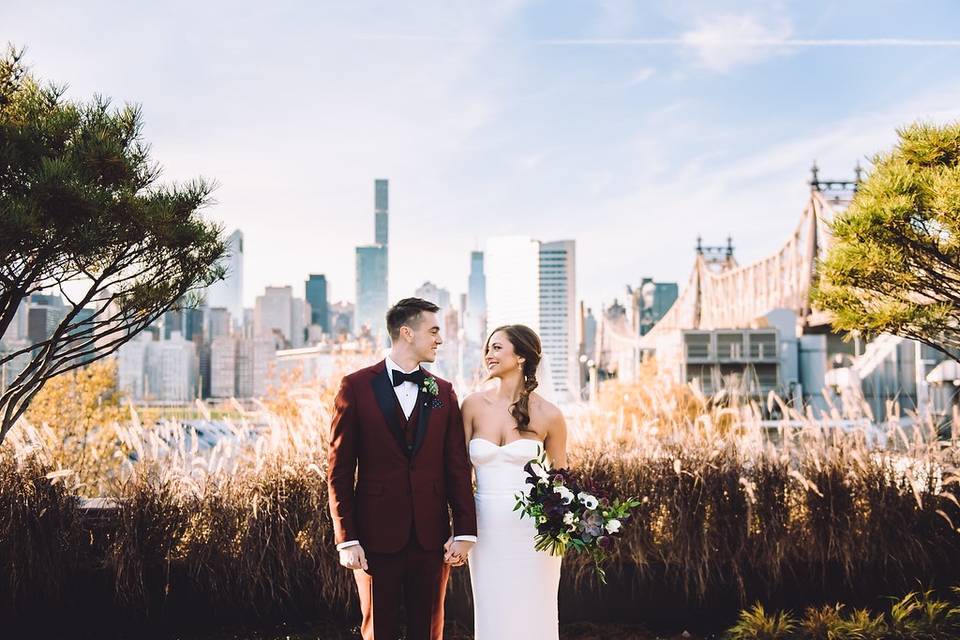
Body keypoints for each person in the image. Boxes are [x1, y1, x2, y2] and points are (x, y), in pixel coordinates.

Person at [326, 298, 477, 640]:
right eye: (434, 330)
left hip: (431, 538)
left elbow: (456, 465)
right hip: (374, 536)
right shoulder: (356, 387)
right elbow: (338, 469)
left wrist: (465, 530)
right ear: (407, 333)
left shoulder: (444, 391)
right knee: (379, 630)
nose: (440, 339)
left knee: (429, 630)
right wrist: (346, 538)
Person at [462, 324, 568, 640]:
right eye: (487, 348)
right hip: (485, 528)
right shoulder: (472, 405)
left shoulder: (550, 415)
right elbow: (457, 474)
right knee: (491, 609)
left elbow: (561, 478)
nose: (488, 355)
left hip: (534, 533)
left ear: (520, 356)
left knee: (535, 609)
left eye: (497, 348)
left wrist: (566, 521)